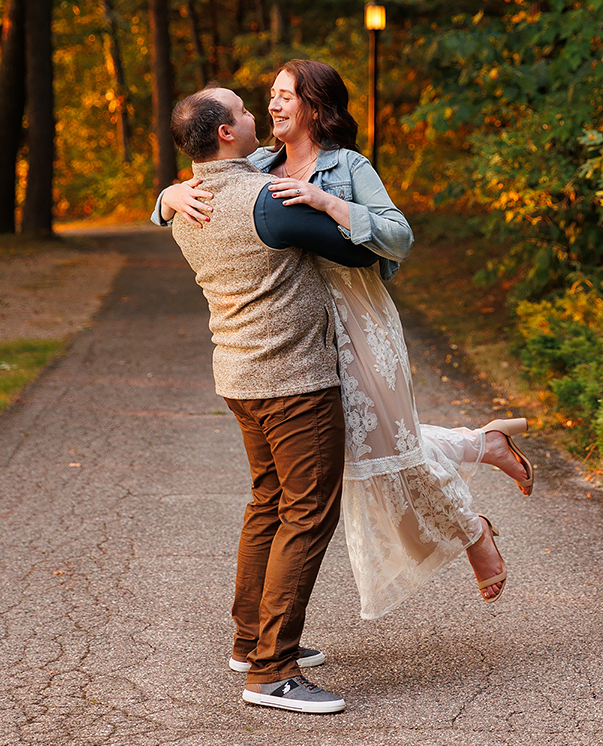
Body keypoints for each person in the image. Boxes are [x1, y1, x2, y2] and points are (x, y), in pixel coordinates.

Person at [156, 61, 534, 620]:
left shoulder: (349, 166)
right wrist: (166, 197)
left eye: (286, 96)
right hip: (301, 332)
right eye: (268, 97)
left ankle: (474, 529)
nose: (273, 106)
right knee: (363, 451)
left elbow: (398, 236)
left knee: (381, 447)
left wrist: (332, 203)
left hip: (357, 319)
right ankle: (481, 447)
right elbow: (215, 182)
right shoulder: (257, 164)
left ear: (314, 105)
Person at [163, 84, 379, 715]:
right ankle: (272, 672)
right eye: (243, 111)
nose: (256, 114)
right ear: (227, 134)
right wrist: (331, 202)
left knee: (269, 502)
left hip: (238, 376)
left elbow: (172, 201)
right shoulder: (269, 202)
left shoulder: (186, 202)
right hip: (294, 382)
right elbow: (364, 249)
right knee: (308, 513)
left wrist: (163, 195)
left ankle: (249, 640)